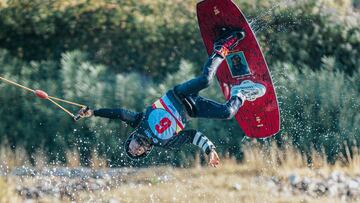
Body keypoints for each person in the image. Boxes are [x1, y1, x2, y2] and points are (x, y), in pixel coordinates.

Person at [77, 30, 266, 167]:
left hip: (178, 95)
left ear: (132, 138)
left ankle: (221, 47)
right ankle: (241, 93)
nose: (134, 150)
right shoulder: (167, 143)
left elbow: (118, 113)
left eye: (131, 148)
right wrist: (210, 150)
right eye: (137, 154)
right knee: (227, 113)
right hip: (192, 108)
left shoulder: (138, 122)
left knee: (206, 80)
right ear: (146, 152)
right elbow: (193, 136)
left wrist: (93, 112)